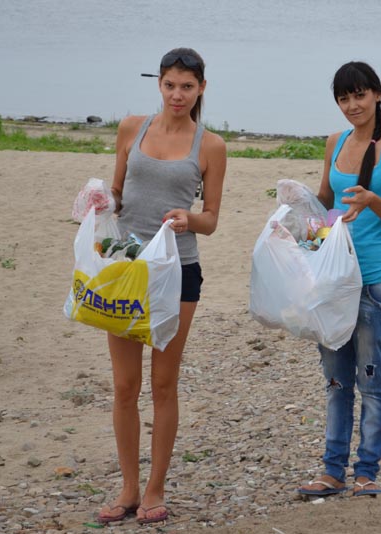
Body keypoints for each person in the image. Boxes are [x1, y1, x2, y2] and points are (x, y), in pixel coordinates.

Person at [97, 47, 226, 525]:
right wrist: (100, 199)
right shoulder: (132, 127)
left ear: (201, 90)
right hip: (125, 269)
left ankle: (155, 489)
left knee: (163, 385)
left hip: (178, 271)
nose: (177, 95)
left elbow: (210, 220)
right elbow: (117, 192)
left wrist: (188, 217)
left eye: (187, 87)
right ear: (159, 84)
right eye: (170, 85)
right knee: (125, 385)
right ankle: (128, 487)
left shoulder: (210, 145)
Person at [297, 61, 381, 498]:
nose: (352, 105)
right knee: (335, 382)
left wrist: (370, 200)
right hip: (331, 280)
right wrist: (295, 210)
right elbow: (324, 202)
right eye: (344, 98)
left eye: (360, 95)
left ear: (378, 95)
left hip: (373, 281)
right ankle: (331, 471)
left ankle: (366, 472)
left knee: (371, 380)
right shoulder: (335, 142)